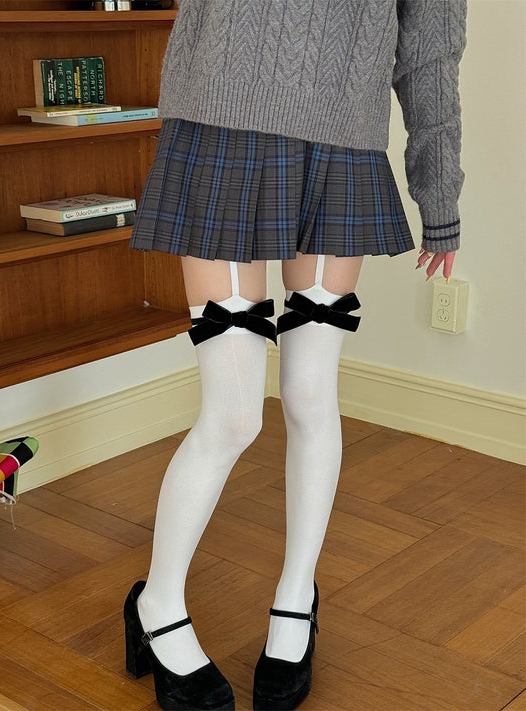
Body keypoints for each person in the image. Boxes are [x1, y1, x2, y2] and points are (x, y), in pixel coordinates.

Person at [123, 1, 467, 709]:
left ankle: (295, 599)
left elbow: (430, 52)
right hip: (220, 129)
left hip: (341, 141)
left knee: (310, 395)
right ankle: (156, 605)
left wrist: (439, 200)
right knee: (233, 416)